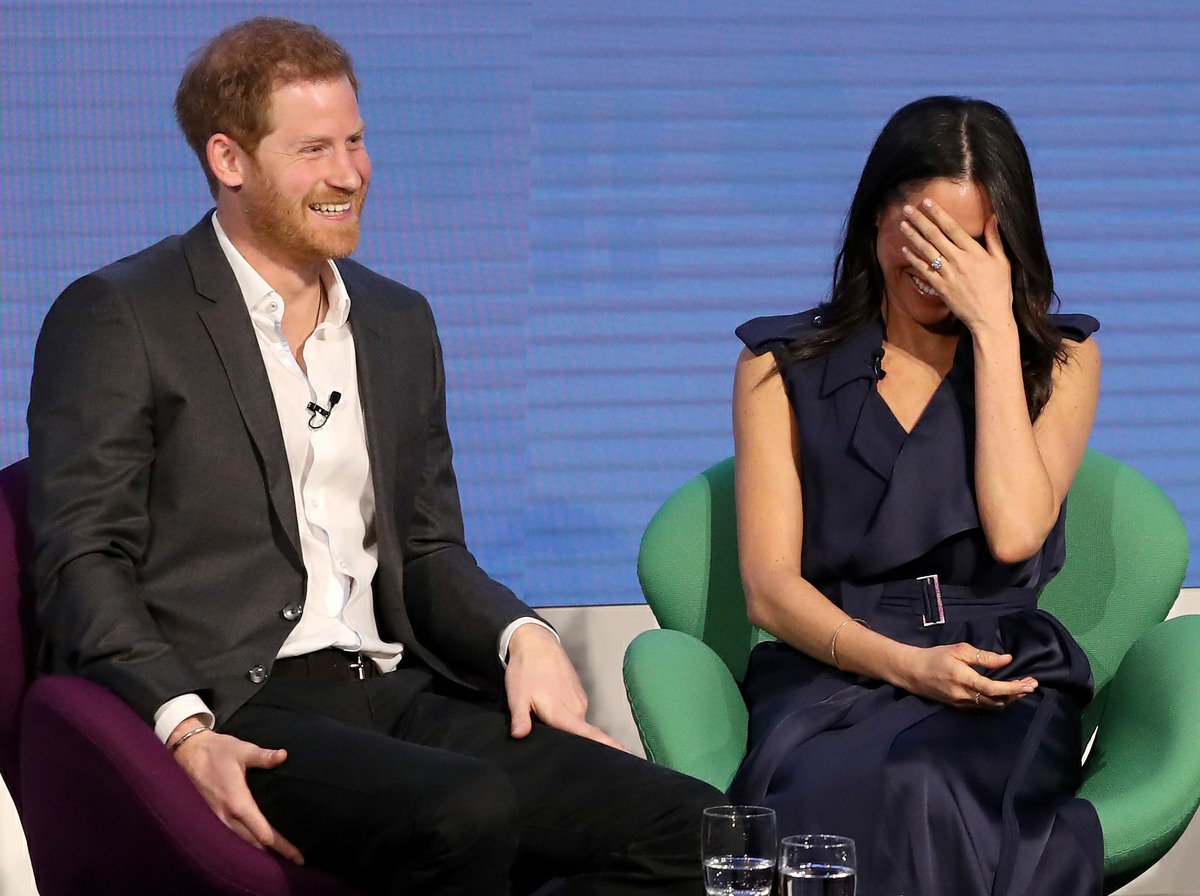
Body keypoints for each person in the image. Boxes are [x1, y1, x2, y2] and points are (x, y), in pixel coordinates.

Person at [26, 17, 719, 895]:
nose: (349, 174)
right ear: (229, 160)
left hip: (395, 687)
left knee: (700, 831)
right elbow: (84, 558)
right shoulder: (123, 314)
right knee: (464, 810)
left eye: (355, 141)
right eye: (313, 149)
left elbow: (427, 549)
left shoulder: (396, 321)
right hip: (244, 702)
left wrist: (523, 635)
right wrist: (184, 728)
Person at [727, 96, 1103, 896]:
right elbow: (768, 589)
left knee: (924, 786)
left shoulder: (1062, 364)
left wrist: (997, 332)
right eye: (919, 233)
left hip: (994, 668)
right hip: (838, 660)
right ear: (873, 222)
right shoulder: (777, 367)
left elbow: (1013, 534)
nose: (935, 265)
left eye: (964, 245)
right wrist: (905, 665)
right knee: (824, 803)